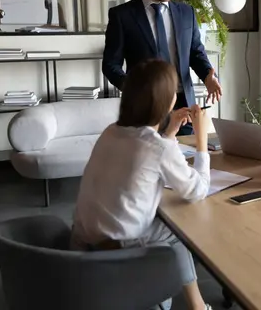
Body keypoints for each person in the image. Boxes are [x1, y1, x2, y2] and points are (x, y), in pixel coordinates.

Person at [71, 59, 212, 310]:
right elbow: (198, 190)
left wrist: (169, 133)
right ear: (165, 102)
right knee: (179, 229)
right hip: (119, 248)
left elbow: (143, 159)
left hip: (84, 240)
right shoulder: (157, 147)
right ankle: (194, 305)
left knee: (164, 220)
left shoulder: (111, 132)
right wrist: (202, 141)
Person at [102, 0, 222, 135]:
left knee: (185, 161)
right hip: (145, 110)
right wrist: (136, 91)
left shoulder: (186, 12)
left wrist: (208, 76)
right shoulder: (122, 16)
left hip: (184, 107)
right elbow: (110, 65)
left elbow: (195, 52)